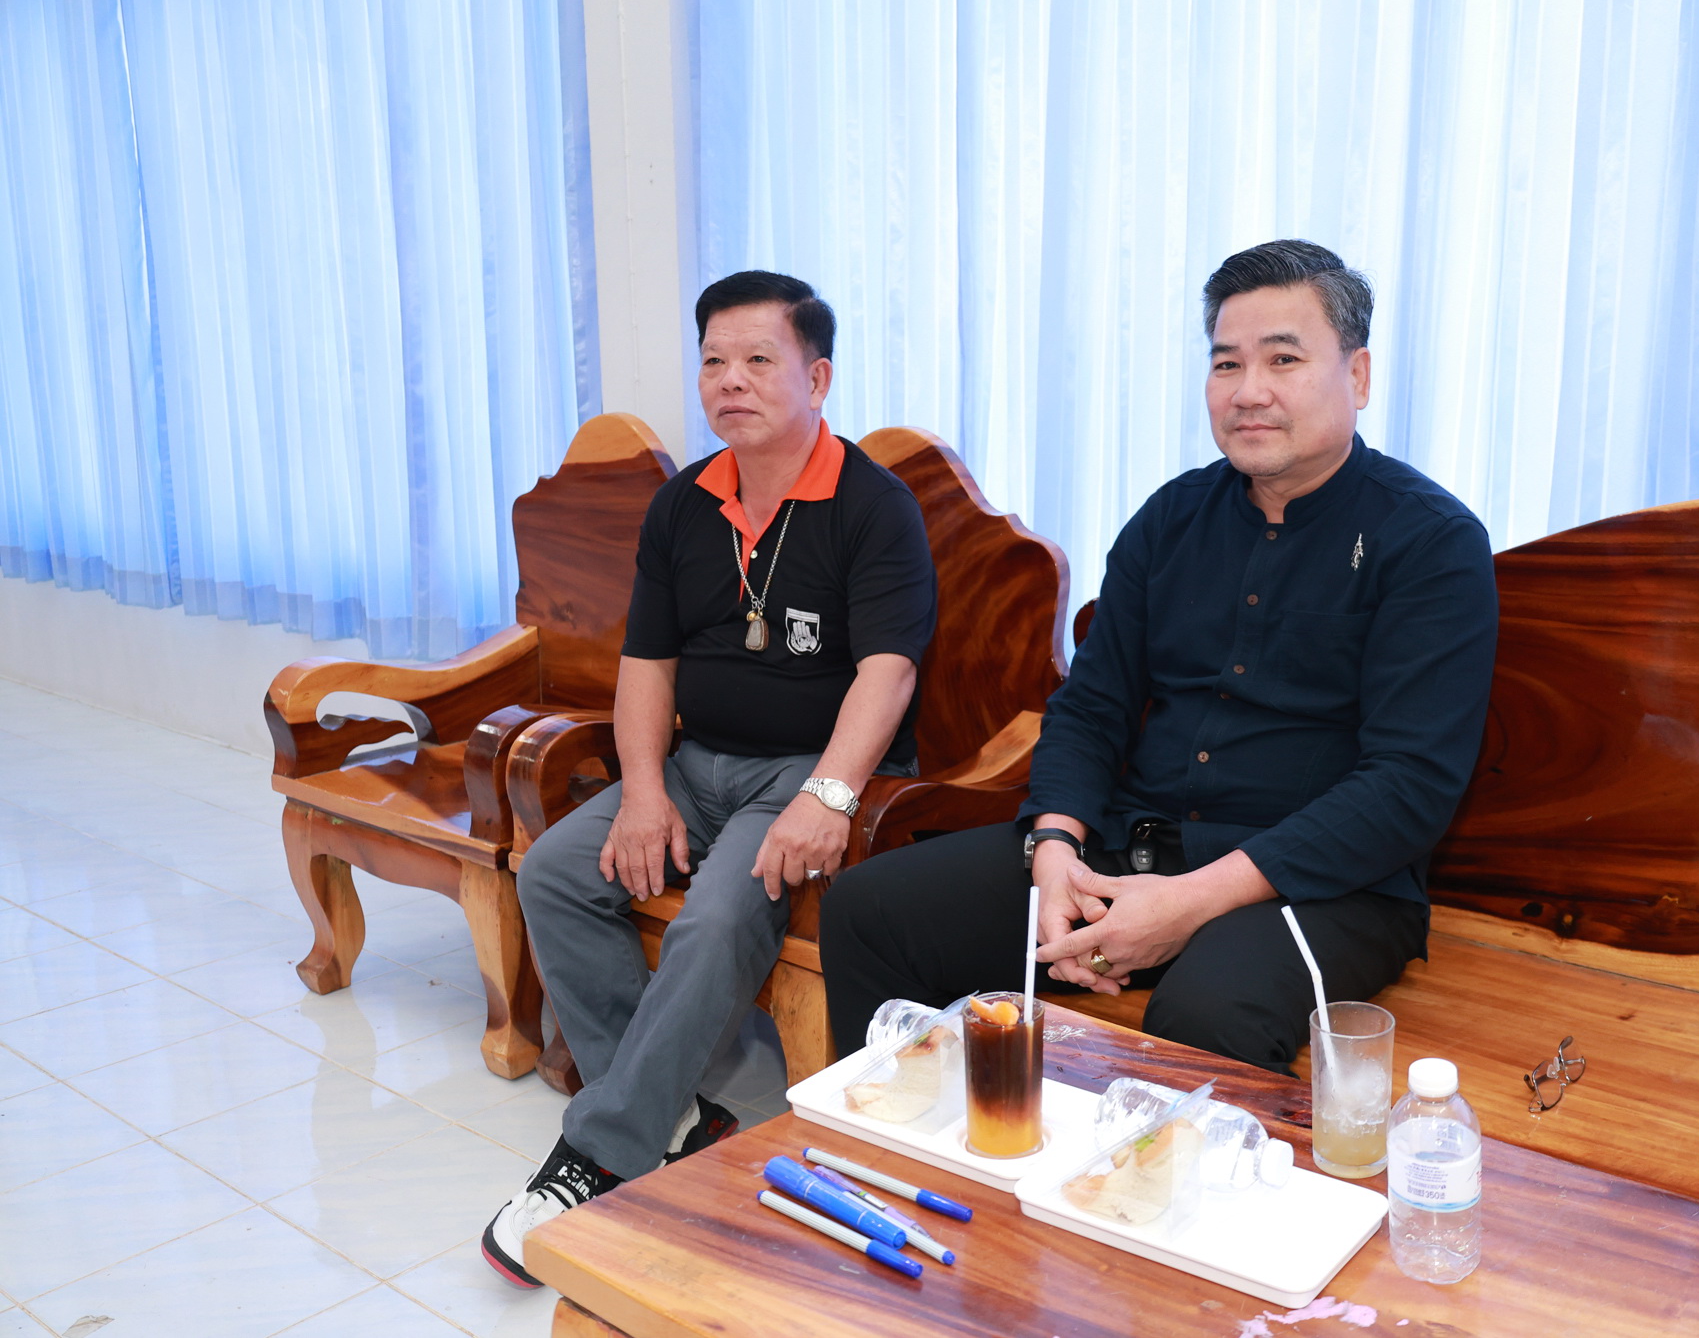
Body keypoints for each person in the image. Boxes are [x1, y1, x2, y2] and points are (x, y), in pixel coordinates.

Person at [820, 240, 1497, 1075]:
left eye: (1283, 359)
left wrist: (1187, 903)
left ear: (1356, 376)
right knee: (870, 910)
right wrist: (1055, 849)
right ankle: (920, 1139)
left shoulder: (1431, 541)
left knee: (1204, 1016)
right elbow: (1091, 706)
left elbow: (1407, 786)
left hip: (1325, 885)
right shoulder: (1171, 519)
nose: (1249, 390)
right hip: (1133, 849)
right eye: (1227, 362)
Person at [482, 271, 936, 1287]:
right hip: (696, 764)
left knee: (716, 919)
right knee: (554, 872)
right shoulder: (684, 503)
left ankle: (598, 1153)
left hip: (808, 772)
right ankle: (683, 1113)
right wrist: (644, 791)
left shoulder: (874, 507)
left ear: (816, 378)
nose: (731, 380)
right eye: (714, 361)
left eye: (759, 359)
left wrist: (829, 796)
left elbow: (890, 671)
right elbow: (646, 664)